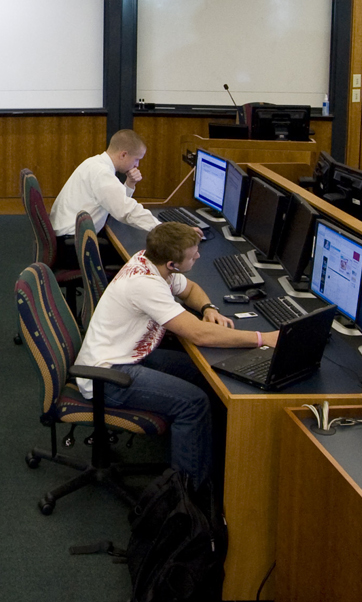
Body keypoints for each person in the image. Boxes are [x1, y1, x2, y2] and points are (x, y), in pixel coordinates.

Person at [72, 221, 273, 489]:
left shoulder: (150, 262)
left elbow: (189, 290)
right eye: (193, 255)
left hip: (129, 356)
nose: (199, 256)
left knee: (207, 373)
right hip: (108, 374)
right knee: (193, 404)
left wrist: (208, 307)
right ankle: (187, 494)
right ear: (172, 264)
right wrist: (264, 339)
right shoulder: (145, 284)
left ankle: (219, 464)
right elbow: (199, 335)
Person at [51, 129, 176, 269]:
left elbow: (115, 202)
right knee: (142, 259)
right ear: (123, 154)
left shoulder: (94, 163)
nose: (137, 165)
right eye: (137, 159)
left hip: (66, 240)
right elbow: (126, 211)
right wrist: (167, 230)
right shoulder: (102, 173)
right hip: (72, 248)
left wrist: (129, 184)